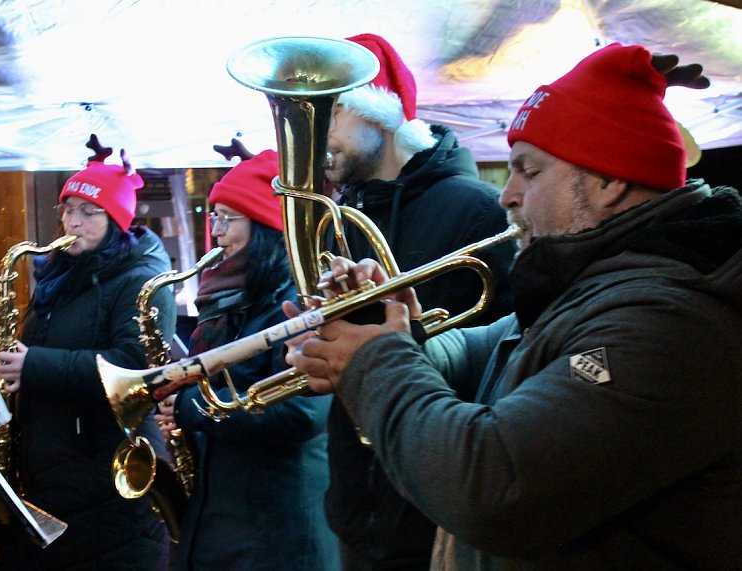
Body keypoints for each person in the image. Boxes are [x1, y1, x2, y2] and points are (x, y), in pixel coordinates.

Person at [287, 43, 742, 569]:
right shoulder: (593, 288)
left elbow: (493, 486)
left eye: (529, 171)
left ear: (608, 181)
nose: (507, 195)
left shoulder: (671, 320)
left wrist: (374, 363)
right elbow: (479, 348)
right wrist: (385, 327)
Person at [322, 32, 515, 571]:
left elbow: (502, 368)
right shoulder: (344, 219)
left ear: (377, 112)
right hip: (356, 503)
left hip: (430, 513)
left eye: (331, 113)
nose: (317, 138)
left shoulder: (474, 209)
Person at [0, 135, 175, 570]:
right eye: (68, 209)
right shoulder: (61, 273)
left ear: (115, 219)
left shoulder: (141, 280)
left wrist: (34, 365)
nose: (73, 222)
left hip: (110, 479)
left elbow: (135, 367)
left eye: (88, 212)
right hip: (56, 476)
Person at [154, 150, 339, 571]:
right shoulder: (234, 301)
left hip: (278, 529)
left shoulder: (295, 303)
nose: (216, 233)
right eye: (213, 217)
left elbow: (302, 413)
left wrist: (190, 407)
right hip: (233, 518)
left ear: (264, 226)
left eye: (226, 219)